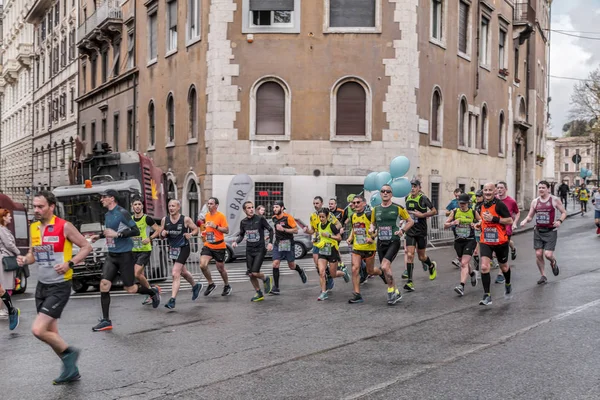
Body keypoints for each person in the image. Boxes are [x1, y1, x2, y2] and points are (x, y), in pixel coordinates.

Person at [17, 191, 92, 384]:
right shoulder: (34, 228)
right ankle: (71, 370)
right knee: (52, 334)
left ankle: (70, 353)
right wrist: (25, 259)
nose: (36, 210)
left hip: (59, 286)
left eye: (40, 206)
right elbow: (33, 255)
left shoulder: (64, 226)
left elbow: (86, 247)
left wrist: (70, 263)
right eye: (34, 206)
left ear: (51, 207)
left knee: (38, 330)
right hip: (42, 286)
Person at [90, 190, 160, 331]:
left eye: (104, 197)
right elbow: (110, 232)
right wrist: (99, 236)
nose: (101, 200)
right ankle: (106, 320)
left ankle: (152, 292)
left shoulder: (122, 212)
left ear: (112, 198)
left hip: (125, 255)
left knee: (130, 288)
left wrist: (118, 234)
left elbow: (134, 231)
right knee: (104, 284)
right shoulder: (107, 214)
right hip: (112, 255)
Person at [370, 185, 413, 305]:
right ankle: (396, 292)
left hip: (393, 241)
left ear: (391, 194)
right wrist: (371, 229)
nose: (385, 193)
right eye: (383, 191)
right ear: (380, 194)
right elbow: (373, 224)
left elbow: (410, 221)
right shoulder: (375, 209)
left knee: (384, 266)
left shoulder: (397, 208)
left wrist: (402, 230)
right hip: (381, 242)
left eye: (388, 191)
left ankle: (390, 291)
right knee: (386, 269)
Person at [520, 181, 567, 284]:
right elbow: (530, 216)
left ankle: (553, 261)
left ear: (548, 189)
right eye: (539, 187)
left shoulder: (554, 200)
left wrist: (559, 221)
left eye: (543, 187)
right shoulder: (535, 202)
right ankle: (543, 275)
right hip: (538, 231)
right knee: (538, 253)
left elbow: (564, 212)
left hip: (550, 231)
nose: (541, 189)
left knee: (548, 255)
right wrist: (524, 221)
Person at [476, 182, 514, 306]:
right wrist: (479, 224)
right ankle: (487, 295)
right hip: (486, 241)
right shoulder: (480, 206)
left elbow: (509, 220)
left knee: (504, 267)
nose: (487, 192)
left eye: (490, 190)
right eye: (485, 190)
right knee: (484, 267)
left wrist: (494, 219)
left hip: (500, 241)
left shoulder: (500, 205)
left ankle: (508, 284)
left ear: (495, 192)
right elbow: (482, 220)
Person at [161, 199, 202, 308]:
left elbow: (196, 229)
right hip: (173, 250)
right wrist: (163, 233)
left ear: (178, 207)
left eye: (173, 206)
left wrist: (191, 234)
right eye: (169, 206)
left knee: (175, 273)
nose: (171, 208)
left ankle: (172, 300)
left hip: (184, 248)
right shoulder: (165, 220)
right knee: (183, 272)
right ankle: (195, 286)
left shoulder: (185, 219)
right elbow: (161, 234)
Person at [347, 195, 387, 304]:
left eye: (358, 202)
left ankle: (380, 272)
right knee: (355, 269)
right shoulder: (353, 216)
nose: (355, 205)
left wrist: (372, 237)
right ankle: (357, 295)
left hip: (369, 247)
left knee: (370, 271)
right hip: (357, 246)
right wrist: (350, 237)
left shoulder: (369, 215)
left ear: (364, 203)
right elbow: (354, 228)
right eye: (354, 203)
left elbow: (380, 227)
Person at [232, 201, 274, 302]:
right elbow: (242, 234)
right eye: (248, 208)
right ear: (244, 210)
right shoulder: (243, 222)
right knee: (250, 274)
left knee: (255, 272)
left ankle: (266, 278)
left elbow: (270, 230)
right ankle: (259, 293)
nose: (251, 209)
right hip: (249, 250)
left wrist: (270, 243)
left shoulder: (260, 219)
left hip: (260, 249)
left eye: (252, 207)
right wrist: (236, 242)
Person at [403, 179, 438, 292]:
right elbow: (407, 213)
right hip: (410, 231)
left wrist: (422, 215)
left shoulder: (423, 198)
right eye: (411, 186)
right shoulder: (407, 198)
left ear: (419, 188)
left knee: (421, 257)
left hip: (421, 231)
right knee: (409, 255)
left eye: (415, 186)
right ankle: (410, 281)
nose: (412, 188)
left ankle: (431, 265)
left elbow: (434, 211)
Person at [306, 196, 343, 291]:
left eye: (317, 203)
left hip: (327, 242)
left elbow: (338, 224)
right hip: (317, 242)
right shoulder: (313, 216)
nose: (315, 205)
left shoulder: (328, 215)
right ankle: (325, 278)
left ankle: (329, 278)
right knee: (317, 263)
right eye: (314, 203)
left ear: (322, 203)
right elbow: (313, 230)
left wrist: (330, 233)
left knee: (329, 266)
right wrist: (307, 231)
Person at [444, 194, 479, 296]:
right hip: (458, 241)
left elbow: (481, 222)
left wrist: (476, 224)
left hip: (470, 240)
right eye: (460, 203)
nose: (462, 205)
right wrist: (453, 223)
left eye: (464, 203)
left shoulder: (473, 212)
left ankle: (461, 286)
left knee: (464, 263)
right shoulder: (455, 212)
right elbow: (445, 225)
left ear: (468, 203)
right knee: (463, 262)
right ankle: (472, 274)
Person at [131, 197, 163, 306]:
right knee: (141, 275)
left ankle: (151, 292)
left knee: (137, 273)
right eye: (135, 204)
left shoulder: (147, 219)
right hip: (134, 249)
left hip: (145, 249)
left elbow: (158, 229)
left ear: (142, 206)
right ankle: (152, 291)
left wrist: (150, 238)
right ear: (132, 207)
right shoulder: (130, 219)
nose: (137, 206)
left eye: (139, 204)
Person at [271, 200, 307, 294]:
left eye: (277, 207)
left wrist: (284, 229)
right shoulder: (274, 217)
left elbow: (295, 230)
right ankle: (276, 287)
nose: (274, 209)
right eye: (274, 207)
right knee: (275, 264)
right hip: (278, 243)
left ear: (282, 208)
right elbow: (276, 229)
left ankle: (300, 270)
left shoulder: (288, 218)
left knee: (291, 266)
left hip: (288, 243)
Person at [314, 208, 350, 301]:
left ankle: (343, 273)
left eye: (323, 217)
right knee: (321, 272)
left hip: (332, 251)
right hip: (322, 251)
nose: (321, 219)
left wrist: (329, 235)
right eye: (320, 217)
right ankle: (323, 293)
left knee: (332, 274)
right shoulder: (318, 225)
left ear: (327, 217)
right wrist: (316, 239)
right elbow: (319, 235)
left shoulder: (331, 226)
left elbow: (339, 238)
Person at [198, 197, 231, 296]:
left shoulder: (221, 216)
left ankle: (226, 285)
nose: (209, 205)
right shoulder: (206, 216)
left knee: (220, 268)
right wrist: (203, 234)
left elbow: (226, 230)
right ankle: (211, 283)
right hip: (208, 245)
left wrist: (215, 226)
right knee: (202, 265)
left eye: (211, 204)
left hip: (219, 246)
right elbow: (206, 229)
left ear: (216, 205)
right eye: (208, 203)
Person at [494, 181, 520, 284]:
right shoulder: (493, 200)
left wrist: (514, 223)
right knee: (495, 251)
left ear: (506, 189)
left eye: (501, 188)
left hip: (506, 229)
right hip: (495, 229)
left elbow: (517, 213)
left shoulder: (511, 201)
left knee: (501, 252)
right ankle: (513, 248)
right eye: (498, 188)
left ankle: (501, 274)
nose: (499, 189)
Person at [0, 209, 21, 329]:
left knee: (3, 287)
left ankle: (10, 309)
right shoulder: (2, 229)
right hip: (4, 258)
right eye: (9, 216)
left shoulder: (3, 229)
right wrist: (18, 253)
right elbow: (8, 244)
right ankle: (9, 309)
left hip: (4, 258)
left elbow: (8, 244)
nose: (11, 218)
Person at [445, 188, 463, 269]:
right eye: (456, 196)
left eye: (458, 196)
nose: (457, 197)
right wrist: (452, 211)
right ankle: (460, 259)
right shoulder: (453, 202)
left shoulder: (466, 202)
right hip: (455, 226)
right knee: (457, 244)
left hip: (465, 226)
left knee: (463, 242)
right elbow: (446, 213)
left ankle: (460, 259)